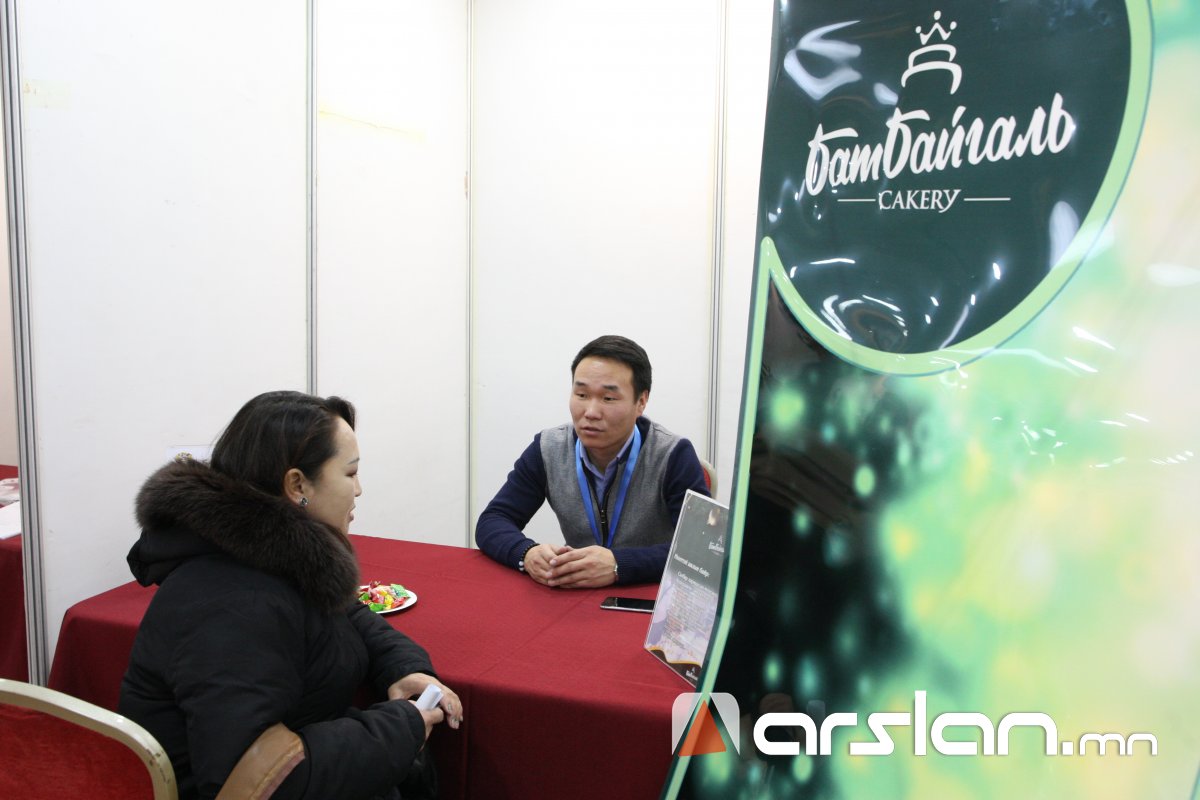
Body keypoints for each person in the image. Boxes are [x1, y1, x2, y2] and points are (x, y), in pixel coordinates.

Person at [119, 391, 462, 800]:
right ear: (297, 484)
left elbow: (349, 614)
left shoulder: (271, 556)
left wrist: (401, 667)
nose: (358, 490)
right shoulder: (235, 603)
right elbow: (260, 780)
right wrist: (400, 727)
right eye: (350, 473)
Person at [475, 335, 710, 587]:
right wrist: (527, 553)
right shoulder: (548, 448)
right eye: (582, 394)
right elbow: (493, 520)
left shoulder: (672, 454)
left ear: (641, 402)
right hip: (576, 592)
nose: (591, 412)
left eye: (608, 398)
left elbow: (702, 549)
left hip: (647, 594)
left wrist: (619, 565)